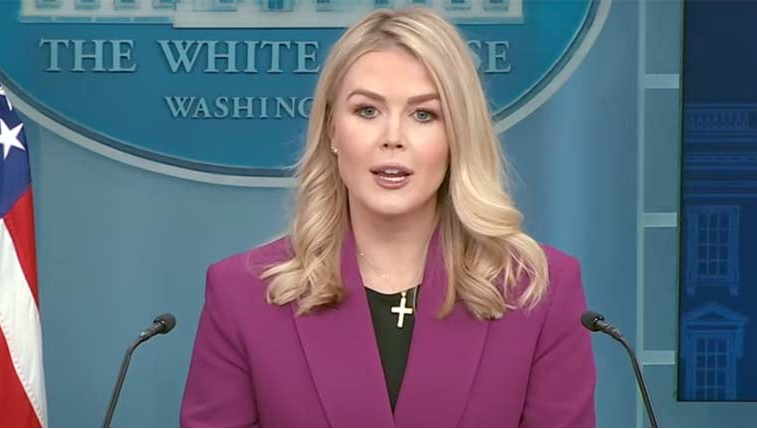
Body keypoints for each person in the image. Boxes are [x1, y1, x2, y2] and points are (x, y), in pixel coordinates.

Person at [180, 6, 596, 428]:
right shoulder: (243, 296)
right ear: (331, 130)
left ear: (458, 136)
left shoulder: (538, 292)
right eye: (367, 111)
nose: (393, 138)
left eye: (423, 114)